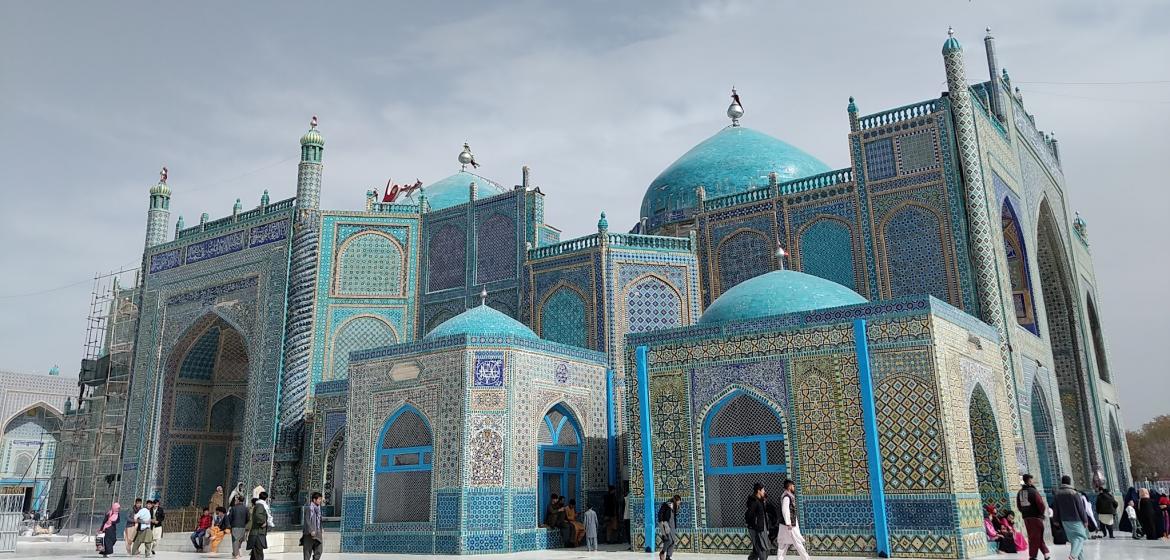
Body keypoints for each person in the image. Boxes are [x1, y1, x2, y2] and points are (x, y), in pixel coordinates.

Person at [1053, 475, 1092, 559]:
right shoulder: (1074, 493)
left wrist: (1055, 520)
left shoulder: (1057, 494)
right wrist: (1085, 520)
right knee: (1080, 537)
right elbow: (1080, 508)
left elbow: (1055, 508)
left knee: (1074, 540)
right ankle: (1073, 555)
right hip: (1076, 519)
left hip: (1064, 520)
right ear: (1070, 482)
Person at [1016, 474, 1050, 560]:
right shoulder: (1033, 491)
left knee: (1035, 536)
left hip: (1026, 518)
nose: (1032, 481)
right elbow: (1041, 504)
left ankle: (1046, 554)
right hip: (1035, 517)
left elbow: (1019, 506)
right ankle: (1033, 556)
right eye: (1031, 479)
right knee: (1035, 537)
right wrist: (1041, 514)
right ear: (1029, 481)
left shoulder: (1020, 492)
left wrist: (1025, 513)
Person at [775, 480, 810, 560]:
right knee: (796, 542)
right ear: (790, 486)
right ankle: (806, 558)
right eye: (793, 486)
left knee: (783, 544)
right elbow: (785, 510)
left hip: (788, 524)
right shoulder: (787, 497)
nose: (794, 488)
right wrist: (788, 523)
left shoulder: (788, 495)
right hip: (789, 525)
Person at [745, 483, 771, 560]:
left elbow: (763, 515)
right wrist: (754, 526)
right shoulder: (754, 501)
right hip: (756, 529)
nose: (764, 491)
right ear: (758, 491)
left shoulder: (760, 501)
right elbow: (749, 514)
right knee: (762, 549)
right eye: (763, 490)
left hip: (761, 528)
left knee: (759, 549)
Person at [247, 492, 272, 560]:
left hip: (257, 532)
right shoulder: (260, 505)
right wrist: (263, 522)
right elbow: (258, 515)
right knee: (258, 552)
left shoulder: (258, 505)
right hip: (258, 532)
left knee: (255, 552)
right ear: (266, 498)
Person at [301, 492, 324, 560]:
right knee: (307, 552)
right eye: (319, 499)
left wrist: (321, 528)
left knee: (319, 550)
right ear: (314, 500)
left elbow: (319, 519)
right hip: (309, 534)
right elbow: (307, 520)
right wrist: (311, 530)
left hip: (318, 533)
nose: (320, 501)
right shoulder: (309, 508)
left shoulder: (318, 509)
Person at [657, 494, 680, 560]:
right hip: (666, 523)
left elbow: (675, 515)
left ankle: (668, 556)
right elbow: (660, 513)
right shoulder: (666, 504)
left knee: (673, 541)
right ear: (675, 500)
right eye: (678, 502)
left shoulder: (676, 506)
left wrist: (677, 508)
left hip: (672, 524)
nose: (679, 503)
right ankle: (662, 552)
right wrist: (661, 521)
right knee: (669, 540)